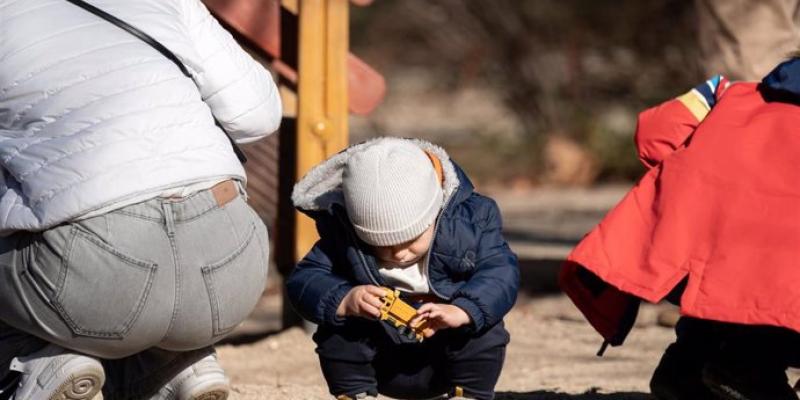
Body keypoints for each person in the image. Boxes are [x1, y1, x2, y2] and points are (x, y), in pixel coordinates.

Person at [0, 0, 281, 399]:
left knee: (91, 290)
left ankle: (32, 362)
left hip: (92, 279)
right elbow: (258, 115)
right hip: (232, 270)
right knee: (124, 299)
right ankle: (172, 367)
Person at [560, 57, 800, 400]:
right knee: (767, 279)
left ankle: (686, 365)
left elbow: (653, 134)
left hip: (686, 242)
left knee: (723, 279)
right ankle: (748, 365)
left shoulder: (727, 91)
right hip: (773, 265)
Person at [286, 137, 518, 400]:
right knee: (338, 328)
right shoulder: (343, 238)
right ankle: (354, 393)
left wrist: (463, 310)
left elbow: (500, 272)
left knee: (484, 327)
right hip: (381, 358)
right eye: (380, 244)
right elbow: (303, 280)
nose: (397, 253)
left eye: (410, 240)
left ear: (435, 213)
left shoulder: (471, 224)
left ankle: (468, 394)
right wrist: (345, 299)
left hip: (443, 354)